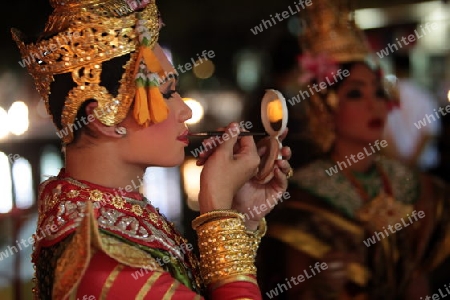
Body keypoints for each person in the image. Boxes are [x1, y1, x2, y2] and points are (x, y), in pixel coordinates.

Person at [12, 0, 292, 299]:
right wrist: (219, 217)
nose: (184, 110)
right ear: (103, 118)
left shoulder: (107, 215)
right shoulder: (103, 266)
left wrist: (240, 215)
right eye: (167, 94)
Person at [257, 0, 450, 299]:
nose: (375, 104)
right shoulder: (304, 192)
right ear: (325, 108)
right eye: (356, 94)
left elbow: (419, 284)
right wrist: (323, 284)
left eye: (378, 91)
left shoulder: (413, 186)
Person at [382, 54, 441, 171]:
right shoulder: (424, 96)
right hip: (424, 167)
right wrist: (413, 161)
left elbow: (383, 134)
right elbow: (429, 133)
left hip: (394, 168)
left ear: (394, 69)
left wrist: (400, 161)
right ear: (411, 69)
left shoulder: (385, 97)